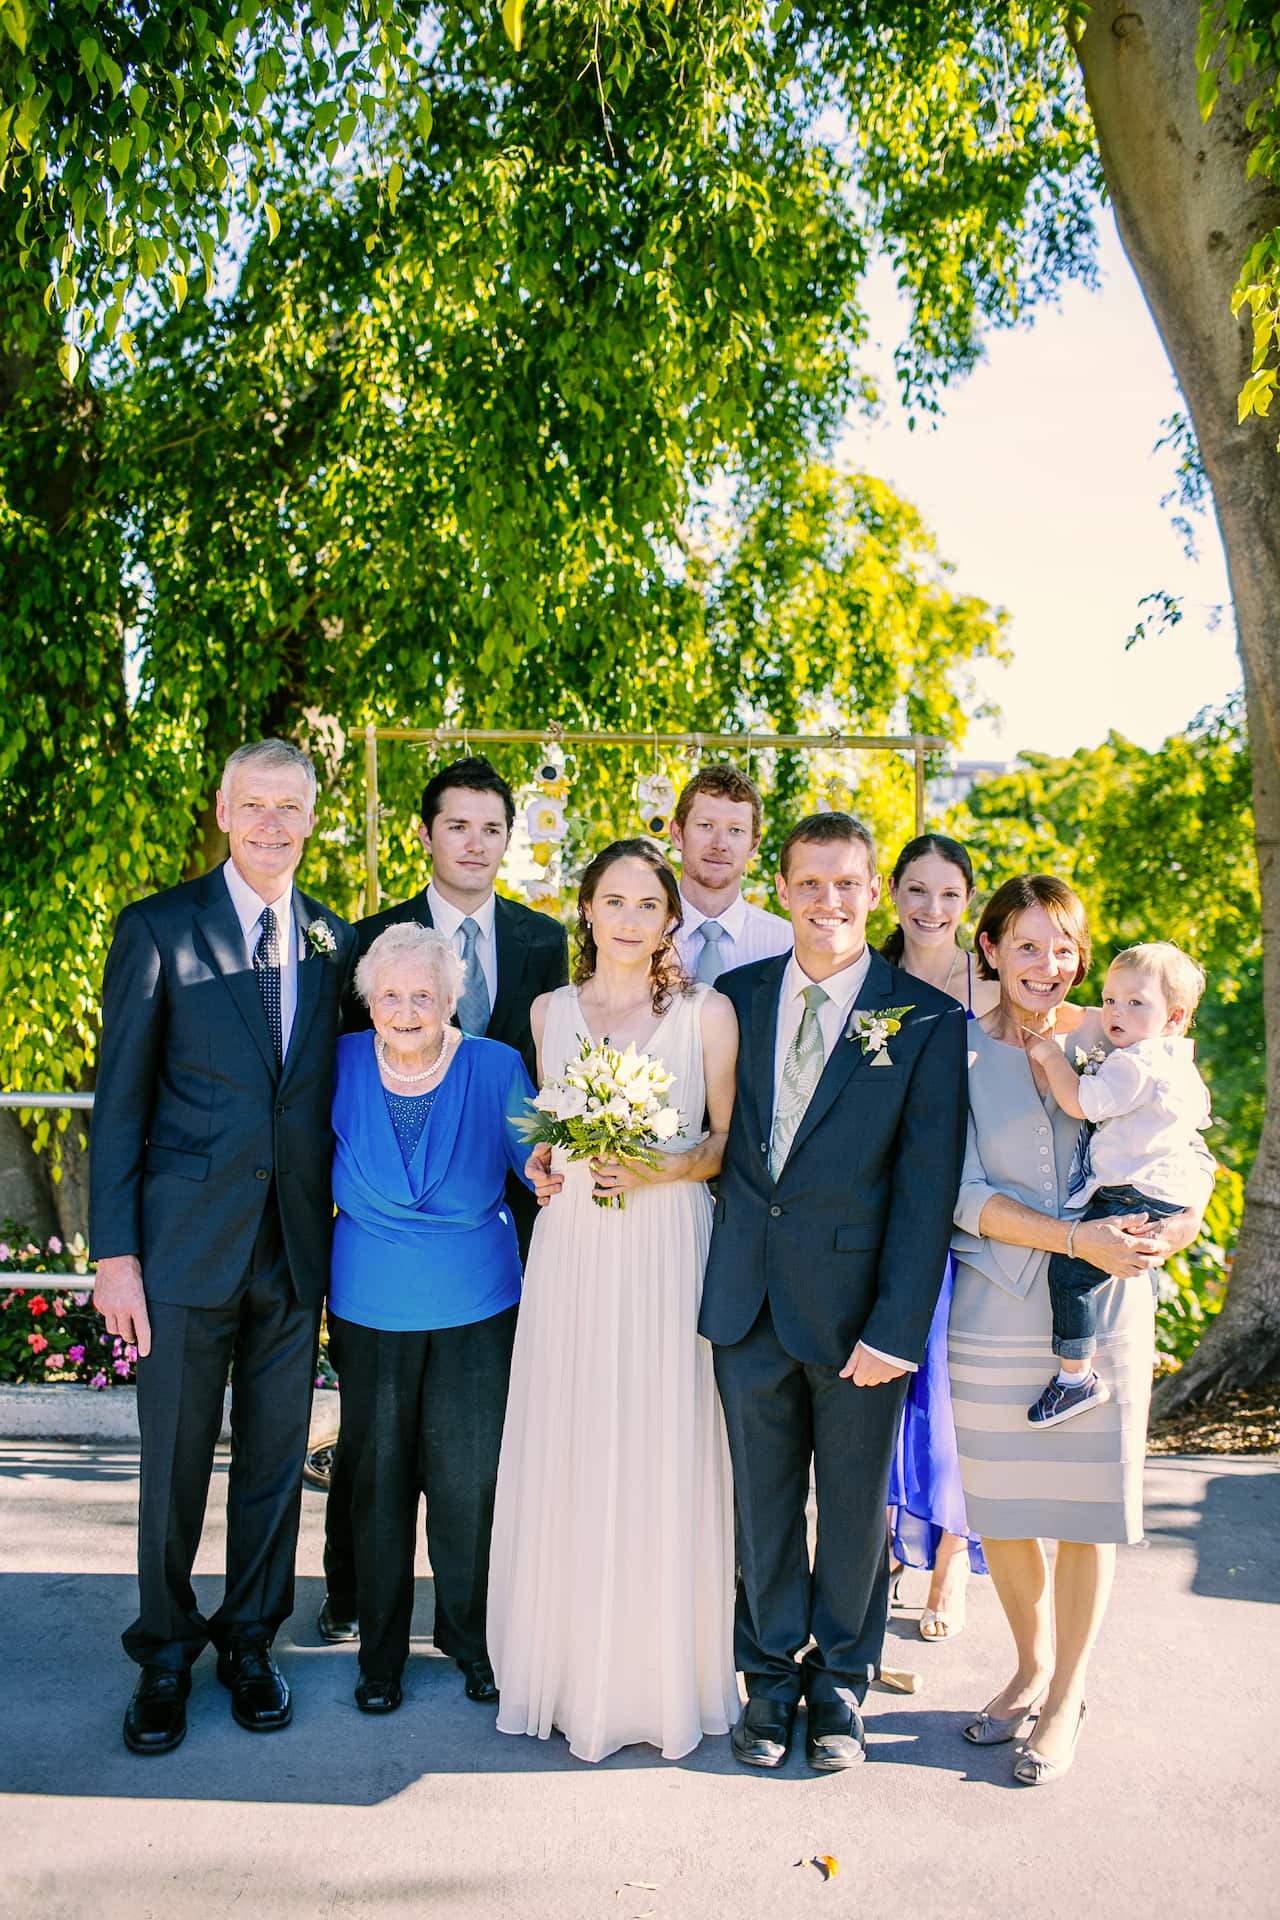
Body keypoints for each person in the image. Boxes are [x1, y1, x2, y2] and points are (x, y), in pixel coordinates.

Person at [89, 739, 355, 1755]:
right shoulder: (158, 929)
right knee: (174, 1467)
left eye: (291, 807)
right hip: (182, 1252)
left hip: (293, 1247)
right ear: (222, 810)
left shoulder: (333, 939)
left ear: (311, 817)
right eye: (256, 805)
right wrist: (116, 1254)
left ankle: (251, 1643)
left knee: (275, 1465)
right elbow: (119, 1103)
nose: (273, 824)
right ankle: (163, 1653)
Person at [701, 812, 969, 1771]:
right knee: (762, 1507)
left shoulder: (927, 1020)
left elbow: (927, 1186)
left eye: (848, 883)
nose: (829, 902)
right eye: (810, 883)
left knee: (854, 1512)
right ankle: (769, 1682)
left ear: (874, 893)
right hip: (747, 1303)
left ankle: (843, 1687)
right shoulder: (732, 997)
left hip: (863, 1315)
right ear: (782, 888)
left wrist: (898, 1325)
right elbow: (706, 1139)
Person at [950, 877, 1211, 1786]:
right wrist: (1070, 1236)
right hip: (993, 1302)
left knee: (1085, 1511)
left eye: (1063, 948)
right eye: (1026, 945)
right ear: (989, 950)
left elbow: (1190, 1148)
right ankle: (1027, 1668)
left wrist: (1178, 1225)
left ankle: (1069, 1693)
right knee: (1009, 1510)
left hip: (1105, 1311)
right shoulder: (955, 1051)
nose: (1047, 965)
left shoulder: (1122, 1035)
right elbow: (954, 1189)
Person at [487, 839, 741, 1762]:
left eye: (648, 904)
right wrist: (542, 1160)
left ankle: (656, 1676)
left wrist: (661, 1166)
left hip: (668, 1243)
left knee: (661, 1437)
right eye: (613, 901)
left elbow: (723, 1143)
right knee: (576, 1433)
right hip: (576, 1252)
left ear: (671, 919)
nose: (630, 918)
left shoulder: (707, 1015)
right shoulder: (549, 1011)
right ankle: (565, 1666)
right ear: (585, 910)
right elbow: (542, 1134)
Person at [318, 754, 568, 1645]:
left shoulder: (544, 938)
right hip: (386, 1237)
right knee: (370, 1458)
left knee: (474, 1460)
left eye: (491, 827)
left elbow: (547, 1076)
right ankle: (352, 1598)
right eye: (456, 825)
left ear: (507, 838)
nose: (474, 842)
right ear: (426, 835)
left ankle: (476, 1626)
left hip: (499, 1225)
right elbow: (344, 1085)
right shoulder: (368, 937)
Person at [327, 922, 548, 1714]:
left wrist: (561, 1163)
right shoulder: (341, 1061)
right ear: (368, 1003)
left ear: (453, 999)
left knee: (470, 1485)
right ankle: (379, 1658)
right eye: (391, 995)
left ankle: (474, 1643)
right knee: (378, 1484)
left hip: (475, 1304)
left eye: (424, 994)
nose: (408, 1009)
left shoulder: (495, 1066)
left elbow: (536, 1158)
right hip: (368, 1304)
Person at [881, 834, 998, 1641]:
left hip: (972, 1211)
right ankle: (885, 1539)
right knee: (886, 1391)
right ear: (892, 894)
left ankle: (950, 1564)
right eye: (916, 891)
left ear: (968, 903)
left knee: (952, 1400)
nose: (931, 908)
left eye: (948, 893)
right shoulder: (871, 983)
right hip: (884, 1210)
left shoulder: (991, 989)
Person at [1022, 940, 1211, 1428]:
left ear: (1173, 1017)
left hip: (1133, 1193)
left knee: (1071, 1274)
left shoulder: (1137, 1063)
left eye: (1134, 1003)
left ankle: (1075, 1376)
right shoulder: (1177, 1061)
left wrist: (1048, 1054)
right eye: (1109, 1000)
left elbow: (1081, 1103)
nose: (1114, 1012)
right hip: (1165, 1192)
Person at [668, 763, 792, 981]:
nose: (720, 844)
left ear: (753, 846)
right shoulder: (643, 933)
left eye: (735, 830)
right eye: (706, 825)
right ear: (678, 834)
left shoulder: (785, 944)